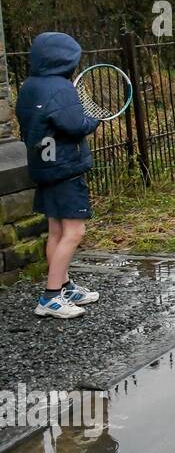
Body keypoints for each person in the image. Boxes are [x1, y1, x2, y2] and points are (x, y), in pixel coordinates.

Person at [15, 32, 102, 319]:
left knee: (56, 230)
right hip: (65, 168)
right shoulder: (61, 88)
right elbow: (75, 124)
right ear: (66, 59)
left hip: (44, 166)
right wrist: (94, 120)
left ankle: (63, 285)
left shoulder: (29, 86)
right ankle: (51, 297)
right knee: (75, 232)